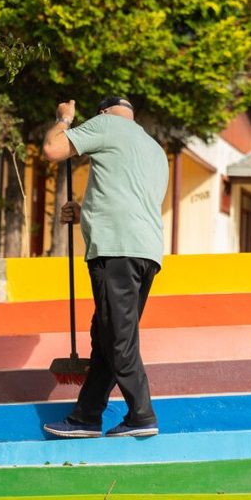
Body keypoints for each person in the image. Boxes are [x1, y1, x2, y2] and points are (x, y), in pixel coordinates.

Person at [41, 96, 169, 438]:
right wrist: (85, 214)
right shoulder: (154, 149)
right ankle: (86, 417)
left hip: (116, 250)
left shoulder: (106, 125)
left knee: (118, 337)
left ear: (102, 112)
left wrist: (64, 120)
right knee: (107, 334)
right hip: (146, 252)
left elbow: (53, 149)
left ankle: (142, 414)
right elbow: (130, 201)